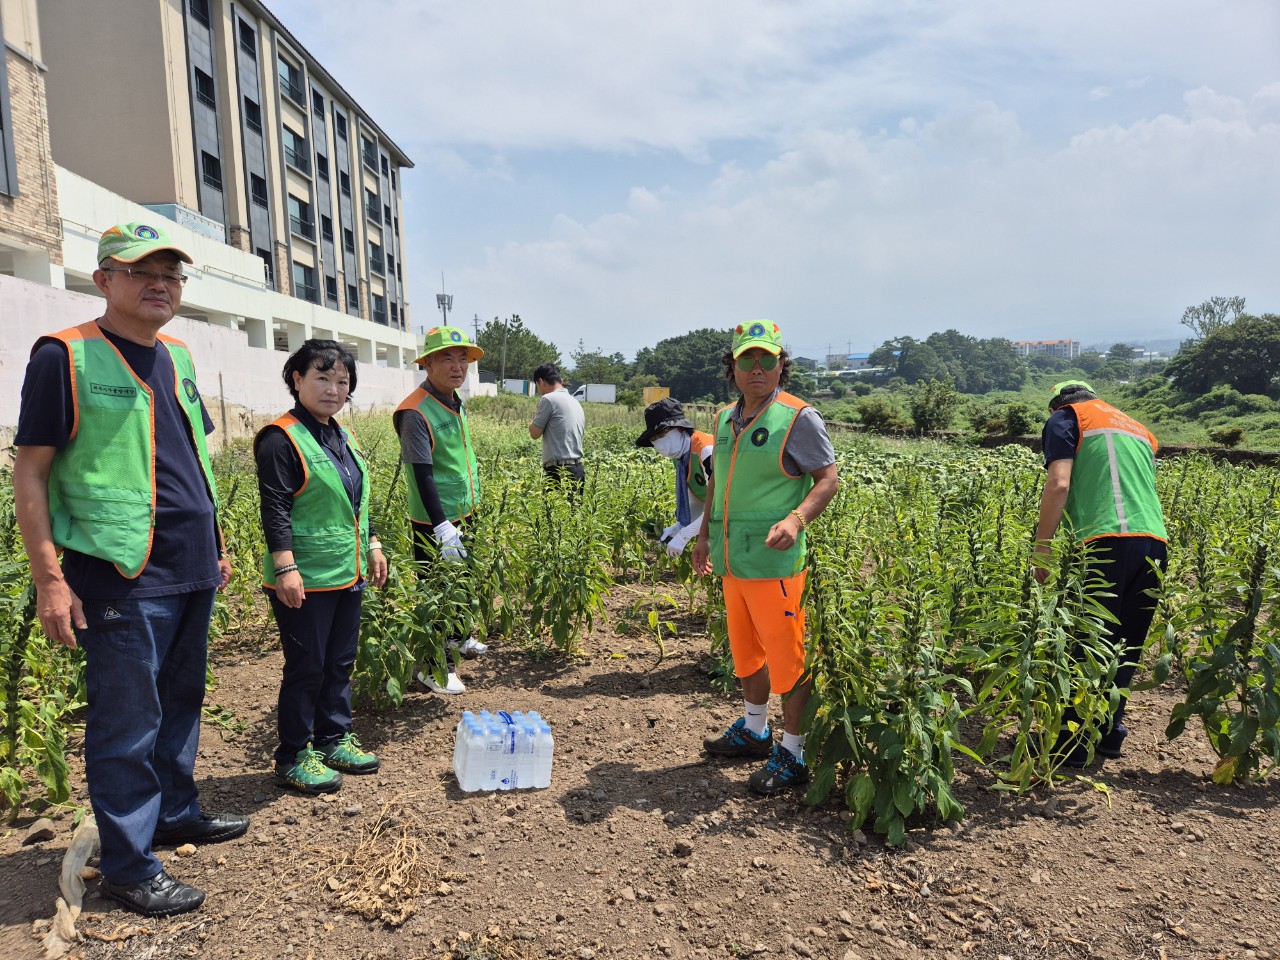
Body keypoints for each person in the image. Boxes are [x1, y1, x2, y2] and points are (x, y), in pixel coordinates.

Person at [12, 221, 247, 918]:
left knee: (180, 703)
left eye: (173, 275)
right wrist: (50, 578)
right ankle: (128, 865)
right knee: (126, 722)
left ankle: (174, 812)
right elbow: (30, 472)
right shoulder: (66, 356)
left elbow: (192, 460)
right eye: (143, 271)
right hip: (119, 573)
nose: (161, 285)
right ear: (103, 279)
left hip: (190, 565)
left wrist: (218, 539)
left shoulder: (177, 355)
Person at [692, 321, 839, 796]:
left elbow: (828, 479)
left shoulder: (798, 418)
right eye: (747, 359)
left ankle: (793, 753)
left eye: (767, 359)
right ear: (732, 366)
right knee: (746, 654)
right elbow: (718, 481)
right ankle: (756, 731)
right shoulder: (723, 417)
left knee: (789, 662)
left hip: (776, 567)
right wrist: (703, 536)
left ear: (781, 365)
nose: (758, 368)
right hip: (734, 563)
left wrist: (796, 519)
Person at [255, 341, 388, 794]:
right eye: (322, 378)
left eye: (342, 382)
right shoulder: (281, 438)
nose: (333, 389)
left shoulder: (341, 436)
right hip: (305, 577)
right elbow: (274, 508)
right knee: (306, 666)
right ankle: (293, 755)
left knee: (339, 661)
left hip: (345, 570)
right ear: (297, 379)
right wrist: (285, 567)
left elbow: (356, 500)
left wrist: (372, 543)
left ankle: (333, 738)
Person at [1033, 379, 1168, 765]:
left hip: (1104, 541)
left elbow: (1059, 484)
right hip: (1154, 542)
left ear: (1057, 403)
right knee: (1125, 645)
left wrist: (1042, 547)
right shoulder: (1137, 428)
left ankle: (1068, 747)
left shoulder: (1066, 418)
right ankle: (1109, 736)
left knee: (1086, 642)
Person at [394, 325, 489, 695]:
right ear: (428, 363)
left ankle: (459, 638)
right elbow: (422, 474)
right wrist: (442, 527)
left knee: (463, 584)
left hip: (466, 511)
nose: (457, 366)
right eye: (446, 358)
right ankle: (434, 666)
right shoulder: (415, 411)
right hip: (434, 521)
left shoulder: (452, 400)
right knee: (437, 592)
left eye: (462, 359)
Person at [635, 397, 714, 557]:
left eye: (662, 434)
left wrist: (685, 535)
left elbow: (720, 504)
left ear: (680, 428)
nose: (659, 442)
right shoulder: (681, 458)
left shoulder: (706, 451)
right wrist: (679, 527)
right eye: (654, 439)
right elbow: (698, 501)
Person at [529, 362, 586, 495]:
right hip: (577, 469)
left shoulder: (548, 399)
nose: (539, 391)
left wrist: (531, 422)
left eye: (537, 386)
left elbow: (534, 433)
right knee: (574, 513)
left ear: (541, 382)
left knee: (555, 513)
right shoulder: (575, 401)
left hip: (559, 470)